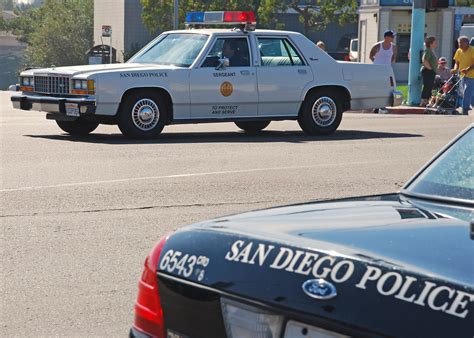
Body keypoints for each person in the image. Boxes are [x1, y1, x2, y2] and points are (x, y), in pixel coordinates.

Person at [452, 36, 474, 115]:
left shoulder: (472, 50)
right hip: (462, 74)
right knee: (465, 93)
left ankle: (464, 110)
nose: (459, 45)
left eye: (461, 43)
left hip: (472, 75)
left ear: (467, 43)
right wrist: (455, 69)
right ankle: (467, 106)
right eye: (459, 43)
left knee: (467, 92)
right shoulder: (458, 51)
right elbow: (457, 62)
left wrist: (467, 69)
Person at [420, 36, 438, 107]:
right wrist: (430, 68)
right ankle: (423, 101)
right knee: (427, 86)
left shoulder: (431, 50)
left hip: (431, 71)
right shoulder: (427, 50)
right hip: (427, 71)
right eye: (434, 42)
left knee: (430, 86)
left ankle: (427, 101)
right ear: (430, 43)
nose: (435, 43)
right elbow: (424, 60)